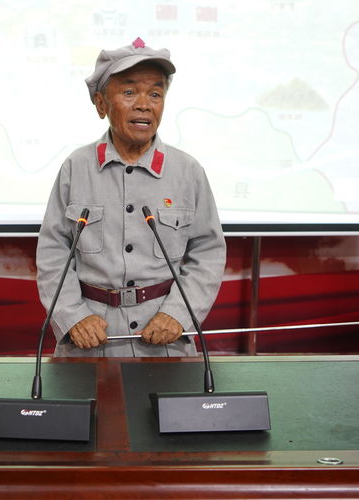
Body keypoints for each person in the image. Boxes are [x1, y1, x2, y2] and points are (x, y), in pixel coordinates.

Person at [36, 38, 225, 357]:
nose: (144, 105)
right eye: (129, 92)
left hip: (163, 340)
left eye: (155, 94)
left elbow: (208, 252)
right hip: (90, 340)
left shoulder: (187, 171)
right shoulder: (76, 167)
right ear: (101, 104)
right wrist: (73, 317)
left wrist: (178, 314)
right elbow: (53, 251)